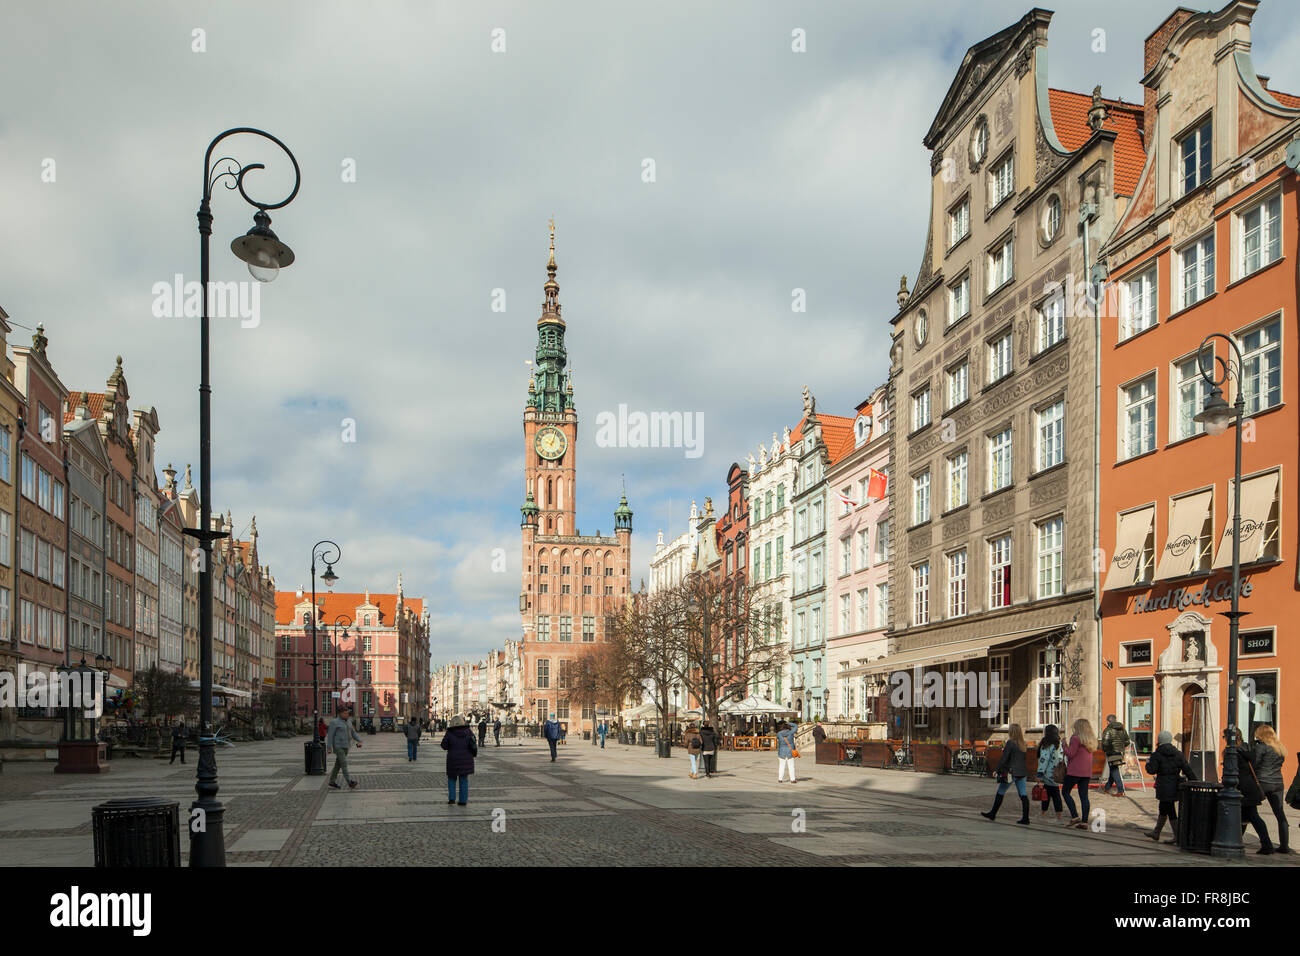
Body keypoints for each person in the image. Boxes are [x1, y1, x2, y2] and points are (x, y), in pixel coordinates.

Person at [1145, 730, 1196, 844]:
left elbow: (1151, 770)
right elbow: (1187, 769)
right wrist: (1195, 781)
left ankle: (1177, 836)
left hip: (1163, 784)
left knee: (1170, 810)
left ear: (1159, 740)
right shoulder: (1178, 753)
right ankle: (1156, 832)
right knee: (1164, 808)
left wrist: (1148, 763)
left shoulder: (1157, 754)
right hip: (1174, 784)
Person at [1253, 725, 1290, 854]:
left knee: (1250, 810)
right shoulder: (1279, 748)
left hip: (1263, 782)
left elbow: (1255, 764)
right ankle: (1284, 845)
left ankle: (1265, 842)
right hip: (1278, 783)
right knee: (1280, 815)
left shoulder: (1261, 747)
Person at [982, 724, 1030, 824]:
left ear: (1011, 732)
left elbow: (1004, 758)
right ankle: (1026, 818)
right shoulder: (1023, 744)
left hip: (1011, 772)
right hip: (1022, 773)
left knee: (1001, 791)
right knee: (1023, 795)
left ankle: (993, 813)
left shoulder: (1010, 743)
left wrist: (997, 769)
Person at [1062, 718, 1097, 829]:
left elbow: (1070, 754)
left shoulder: (1076, 738)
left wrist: (1064, 745)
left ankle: (1075, 816)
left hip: (1074, 771)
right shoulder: (1090, 740)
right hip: (1086, 773)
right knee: (1084, 796)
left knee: (1065, 792)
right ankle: (1085, 821)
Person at [440, 715, 478, 806]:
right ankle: (463, 800)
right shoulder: (468, 732)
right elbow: (473, 743)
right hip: (466, 759)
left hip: (453, 759)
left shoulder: (450, 733)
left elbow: (444, 746)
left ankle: (452, 798)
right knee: (463, 779)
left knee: (452, 779)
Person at [326, 707, 362, 790]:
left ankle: (332, 782)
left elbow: (353, 732)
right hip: (338, 746)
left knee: (338, 765)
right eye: (345, 713)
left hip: (346, 746)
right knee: (344, 764)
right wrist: (329, 747)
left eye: (347, 713)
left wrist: (360, 740)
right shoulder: (334, 722)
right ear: (340, 713)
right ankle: (350, 782)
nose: (347, 715)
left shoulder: (348, 721)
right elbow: (330, 736)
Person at [1035, 723, 1064, 822]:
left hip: (1048, 774)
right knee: (1056, 795)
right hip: (1057, 774)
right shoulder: (1059, 744)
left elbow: (1044, 760)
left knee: (1045, 795)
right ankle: (1059, 816)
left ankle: (1043, 814)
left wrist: (1039, 774)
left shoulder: (1046, 745)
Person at [1099, 714, 1131, 797]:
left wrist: (1106, 749)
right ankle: (1107, 788)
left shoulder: (1108, 730)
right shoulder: (1122, 729)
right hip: (1120, 752)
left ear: (1108, 721)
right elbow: (1127, 741)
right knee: (1113, 769)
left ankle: (1121, 790)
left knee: (1114, 771)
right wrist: (1121, 747)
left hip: (1111, 752)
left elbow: (1105, 743)